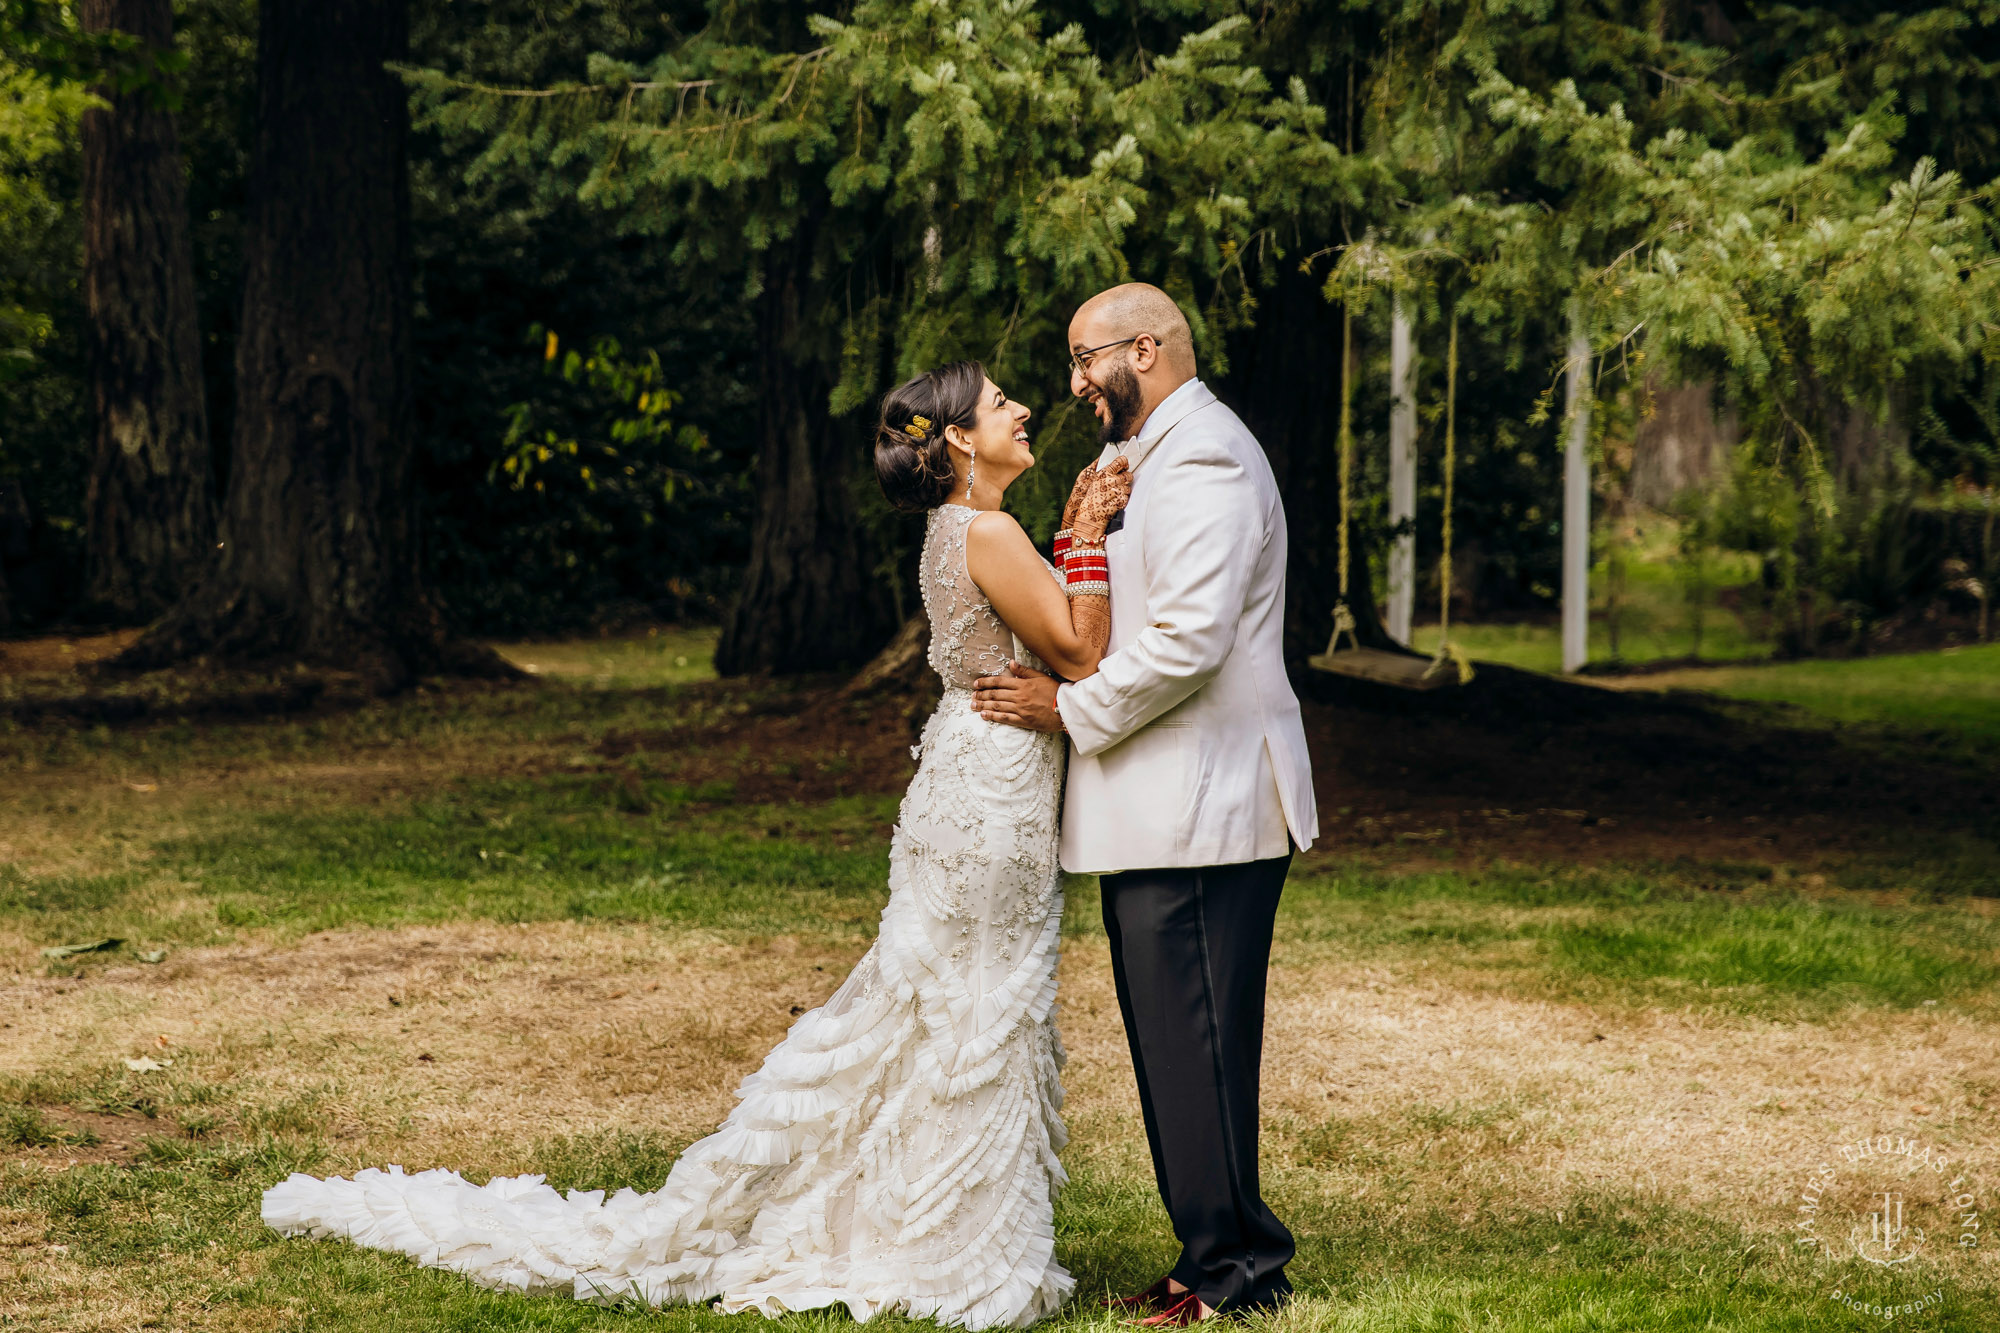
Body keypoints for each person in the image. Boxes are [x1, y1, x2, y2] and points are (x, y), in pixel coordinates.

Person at [260, 359, 1132, 1330]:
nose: (1021, 409)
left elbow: (1042, 636)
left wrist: (1067, 543)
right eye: (1000, 403)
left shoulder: (954, 528)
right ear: (961, 439)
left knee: (947, 1001)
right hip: (988, 788)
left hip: (969, 779)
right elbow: (1079, 652)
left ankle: (929, 1211)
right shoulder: (989, 528)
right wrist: (1086, 531)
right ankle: (943, 1235)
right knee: (973, 1004)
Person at [972, 283, 1319, 1327]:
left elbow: (1189, 640)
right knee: (1176, 1042)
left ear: (1148, 347)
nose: (1073, 384)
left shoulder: (1207, 454)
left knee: (1199, 1041)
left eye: (1086, 359)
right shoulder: (1149, 458)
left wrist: (1069, 707)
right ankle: (1210, 1251)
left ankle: (1239, 1271)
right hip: (1164, 803)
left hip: (1203, 805)